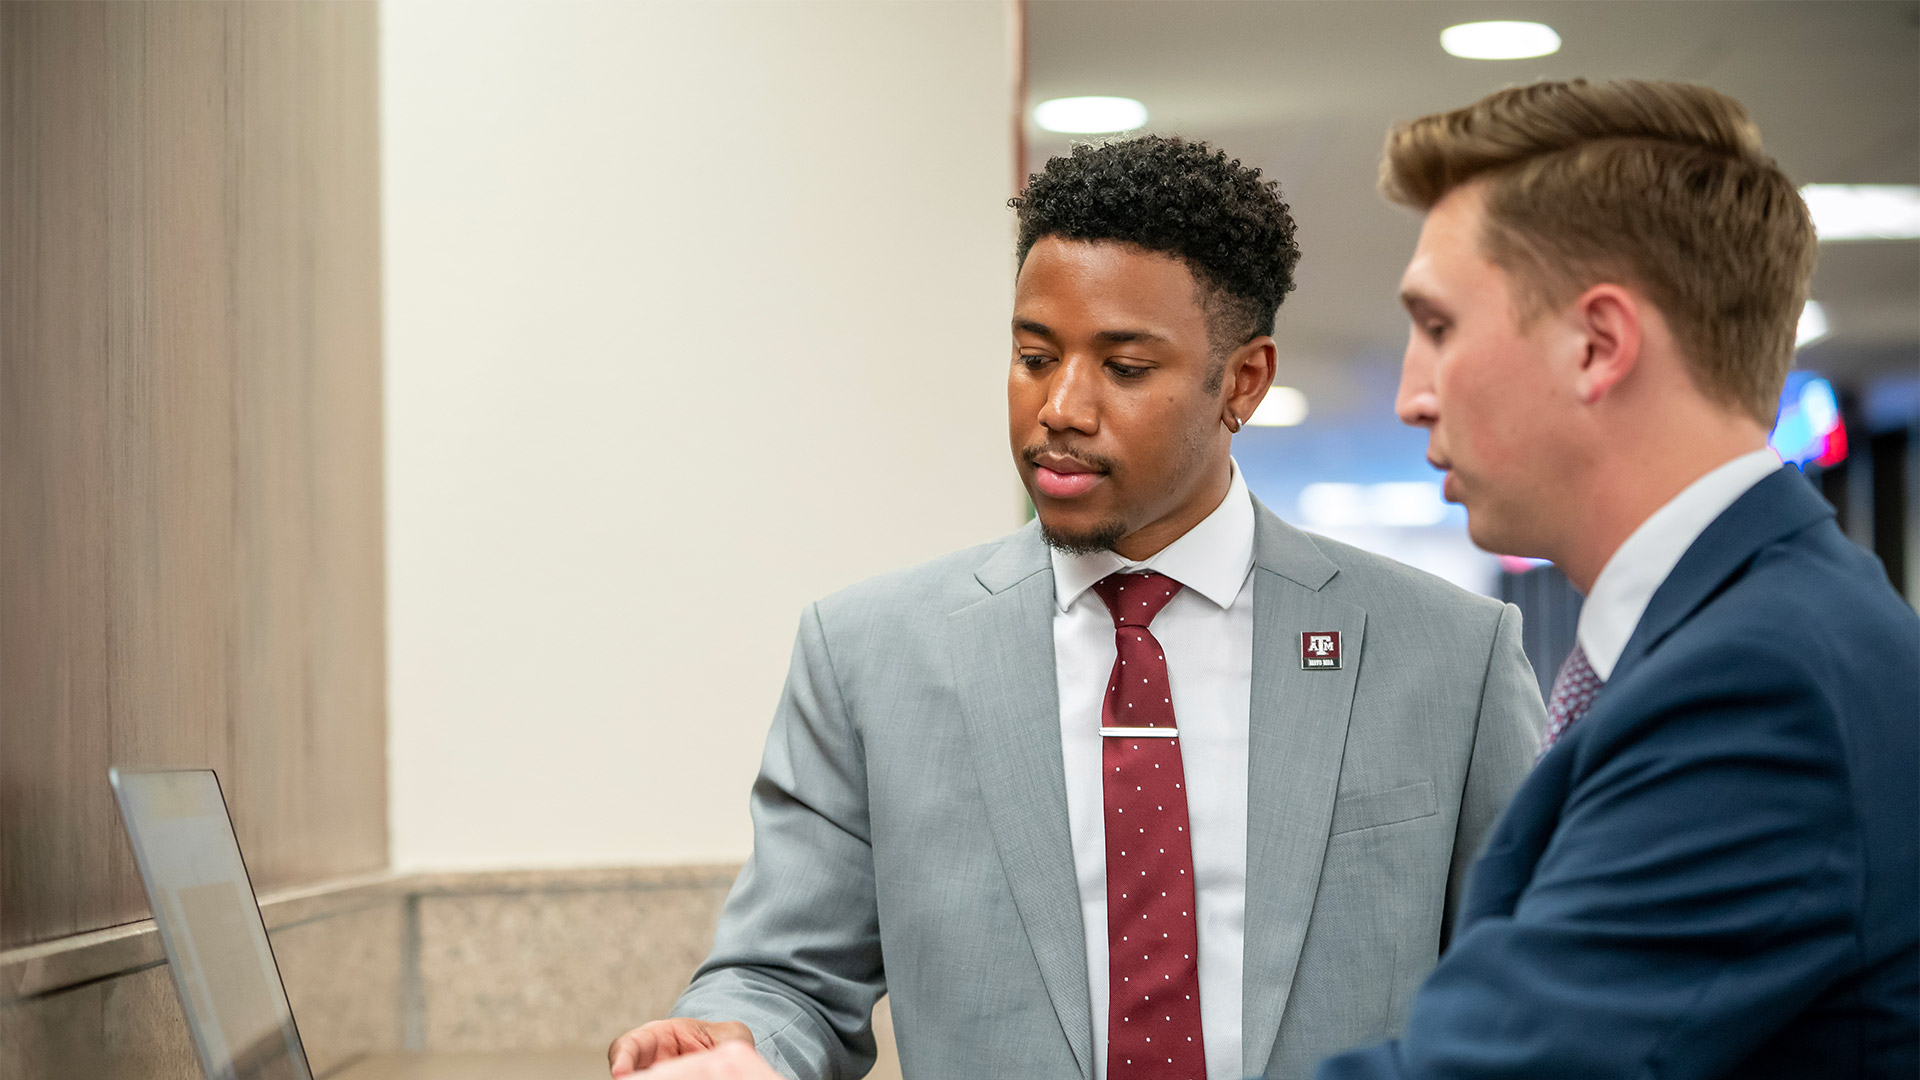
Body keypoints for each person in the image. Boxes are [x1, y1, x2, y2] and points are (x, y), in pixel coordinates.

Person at [607, 136, 1545, 1080]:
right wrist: (739, 1045)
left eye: (1125, 368)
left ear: (1244, 382)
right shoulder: (866, 657)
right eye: (1033, 357)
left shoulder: (1450, 659)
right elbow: (787, 980)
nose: (1060, 406)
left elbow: (1534, 991)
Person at [1312, 78, 1920, 1077]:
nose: (1412, 395)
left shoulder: (1760, 684)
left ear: (1598, 345)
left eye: (1440, 327)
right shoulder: (1756, 628)